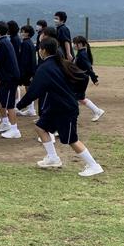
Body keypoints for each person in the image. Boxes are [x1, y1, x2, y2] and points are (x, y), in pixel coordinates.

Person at [16, 37, 104, 177]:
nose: (39, 51)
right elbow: (82, 77)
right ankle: (52, 158)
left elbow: (34, 91)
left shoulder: (45, 68)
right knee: (40, 127)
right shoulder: (61, 63)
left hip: (65, 109)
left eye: (39, 48)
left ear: (43, 50)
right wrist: (74, 92)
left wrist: (19, 105)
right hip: (56, 107)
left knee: (71, 140)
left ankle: (94, 166)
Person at [0, 21, 21, 138]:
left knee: (10, 104)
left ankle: (15, 130)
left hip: (10, 78)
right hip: (6, 78)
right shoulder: (4, 41)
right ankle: (5, 123)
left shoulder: (4, 42)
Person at [73, 36, 105, 121]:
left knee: (75, 97)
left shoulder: (82, 54)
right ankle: (97, 111)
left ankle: (73, 116)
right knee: (80, 98)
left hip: (81, 80)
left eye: (74, 44)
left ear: (79, 44)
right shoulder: (80, 53)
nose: (73, 45)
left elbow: (88, 68)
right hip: (80, 79)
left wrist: (94, 79)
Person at [16, 24, 37, 116]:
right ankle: (30, 109)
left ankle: (31, 109)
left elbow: (24, 60)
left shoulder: (25, 43)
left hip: (28, 71)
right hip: (31, 70)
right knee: (29, 89)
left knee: (29, 90)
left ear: (27, 33)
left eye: (23, 31)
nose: (21, 33)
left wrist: (22, 72)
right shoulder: (30, 42)